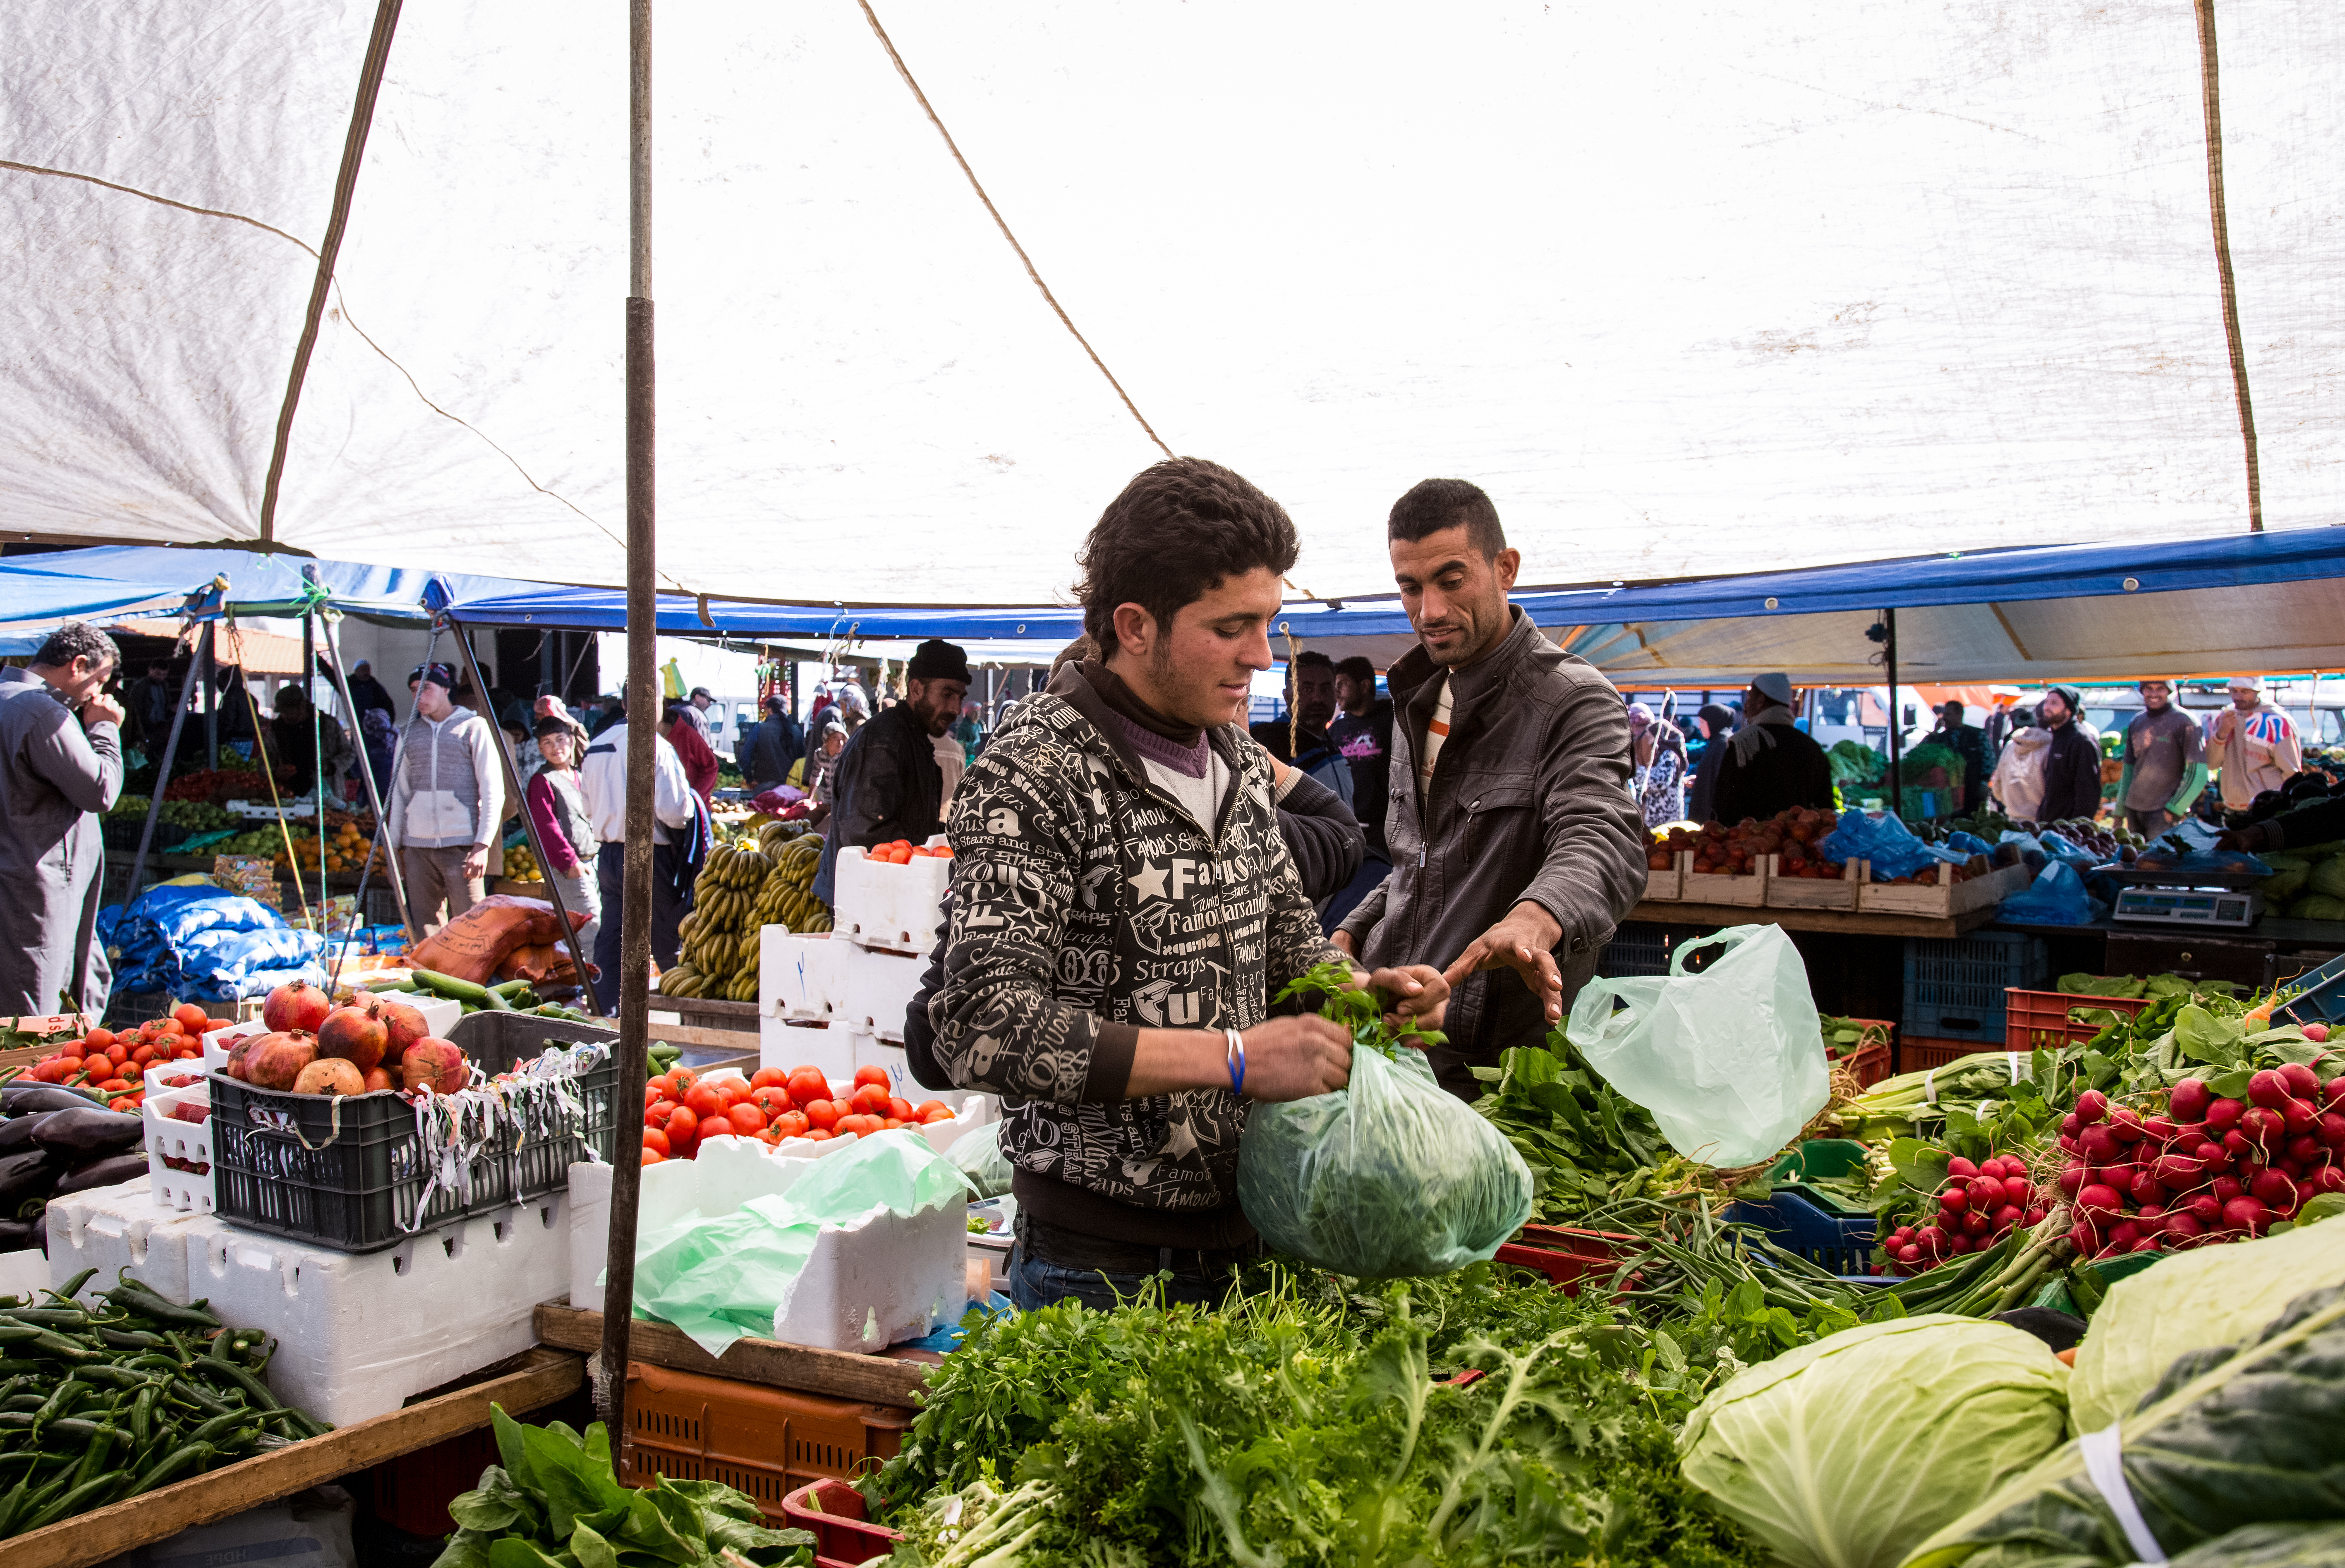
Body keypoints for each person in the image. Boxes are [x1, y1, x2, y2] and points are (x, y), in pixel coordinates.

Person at [929, 457, 1444, 1311]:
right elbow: (980, 1026)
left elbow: (1289, 943)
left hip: (1254, 1233)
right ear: (1134, 624)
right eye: (1231, 625)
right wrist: (1234, 1058)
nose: (1257, 654)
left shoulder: (1238, 763)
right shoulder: (1035, 769)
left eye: (1267, 623)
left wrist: (1361, 995)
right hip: (1098, 1269)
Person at [1333, 477, 1646, 1101]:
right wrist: (1353, 930)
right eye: (1410, 586)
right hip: (1394, 1042)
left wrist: (1535, 918)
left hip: (1494, 1071)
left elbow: (1602, 832)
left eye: (1452, 580)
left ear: (1505, 569)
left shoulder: (1570, 699)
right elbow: (1417, 861)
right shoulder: (1416, 695)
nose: (1430, 610)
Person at [0, 624, 124, 1016]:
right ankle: (29, 1079)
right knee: (37, 1005)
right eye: (100, 680)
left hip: (21, 877)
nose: (99, 693)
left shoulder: (10, 700)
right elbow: (99, 790)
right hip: (37, 887)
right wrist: (105, 727)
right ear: (79, 665)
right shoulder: (40, 711)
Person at [812, 639, 970, 902]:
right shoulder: (885, 740)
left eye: (960, 698)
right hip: (866, 902)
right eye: (947, 694)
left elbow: (912, 821)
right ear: (917, 689)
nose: (955, 709)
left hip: (888, 896)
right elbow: (865, 832)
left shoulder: (915, 739)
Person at [578, 709, 698, 1015]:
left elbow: (588, 807)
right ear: (652, 702)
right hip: (648, 853)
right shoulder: (657, 745)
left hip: (609, 854)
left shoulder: (596, 746)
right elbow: (675, 811)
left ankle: (602, 1010)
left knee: (612, 935)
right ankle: (689, 1011)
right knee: (666, 935)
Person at [387, 662, 505, 943]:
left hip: (462, 846)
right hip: (417, 847)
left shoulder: (473, 727)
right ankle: (434, 985)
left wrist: (482, 844)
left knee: (473, 925)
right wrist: (393, 847)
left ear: (446, 689)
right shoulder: (407, 733)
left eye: (426, 688)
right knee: (426, 928)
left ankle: (474, 985)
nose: (419, 696)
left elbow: (493, 789)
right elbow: (399, 793)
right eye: (414, 690)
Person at [1709, 673, 1833, 826]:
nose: (1746, 705)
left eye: (1749, 697)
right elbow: (1826, 810)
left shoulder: (1744, 744)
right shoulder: (1812, 747)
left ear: (1760, 700)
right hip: (1799, 845)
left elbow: (1724, 805)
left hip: (1750, 844)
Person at [525, 715, 601, 958]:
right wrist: (569, 862)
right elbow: (546, 827)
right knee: (590, 927)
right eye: (547, 742)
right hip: (572, 866)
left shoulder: (580, 774)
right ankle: (591, 987)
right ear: (540, 748)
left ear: (571, 741)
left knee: (600, 923)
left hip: (594, 861)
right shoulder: (542, 782)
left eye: (560, 740)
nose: (556, 747)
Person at [1249, 651, 1354, 808]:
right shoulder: (1272, 745)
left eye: (1326, 689)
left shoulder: (1328, 743)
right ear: (1287, 697)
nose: (1318, 699)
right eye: (1307, 690)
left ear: (1335, 694)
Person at [2118, 679, 2208, 838]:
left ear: (2170, 691)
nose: (2154, 694)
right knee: (2135, 860)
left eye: (2160, 688)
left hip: (2163, 811)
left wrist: (2174, 809)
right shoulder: (2137, 722)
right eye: (2149, 689)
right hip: (2134, 808)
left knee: (2159, 861)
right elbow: (2128, 771)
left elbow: (2199, 773)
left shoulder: (2186, 722)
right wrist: (2120, 812)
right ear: (2142, 692)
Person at [2211, 675, 2302, 814]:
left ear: (2258, 691)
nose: (2238, 696)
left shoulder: (2278, 721)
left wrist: (2281, 802)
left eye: (2245, 691)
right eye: (2234, 691)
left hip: (2267, 808)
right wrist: (2221, 734)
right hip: (2232, 806)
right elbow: (2212, 764)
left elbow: (2291, 772)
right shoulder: (2225, 717)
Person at [2034, 685, 2103, 823]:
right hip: (2051, 823)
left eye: (2054, 703)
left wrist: (2076, 829)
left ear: (2069, 711)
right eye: (2047, 702)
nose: (2047, 707)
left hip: (2068, 829)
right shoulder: (2056, 736)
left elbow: (2088, 793)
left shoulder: (2081, 740)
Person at [340, 658, 399, 801]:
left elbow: (389, 707)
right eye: (363, 670)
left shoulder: (376, 687)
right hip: (359, 731)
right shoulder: (349, 685)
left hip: (371, 733)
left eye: (368, 669)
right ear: (356, 672)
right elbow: (333, 675)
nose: (367, 672)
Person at [1627, 701, 1687, 828]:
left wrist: (1637, 771)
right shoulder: (1660, 755)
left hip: (1666, 816)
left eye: (1650, 736)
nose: (1648, 739)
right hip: (1656, 815)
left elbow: (1660, 782)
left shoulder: (1669, 755)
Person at [1926, 700, 1990, 814]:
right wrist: (1935, 732)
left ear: (1959, 715)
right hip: (1947, 793)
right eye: (1945, 714)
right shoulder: (1940, 738)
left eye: (1949, 715)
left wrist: (1984, 783)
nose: (1945, 718)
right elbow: (1923, 751)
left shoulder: (1977, 734)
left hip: (1973, 790)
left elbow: (1989, 760)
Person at [1685, 702, 1737, 823]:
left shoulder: (1723, 743)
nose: (1699, 726)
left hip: (1713, 816)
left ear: (1714, 722)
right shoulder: (1717, 741)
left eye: (1702, 722)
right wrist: (1699, 780)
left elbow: (1723, 782)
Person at [1988, 724, 2053, 823]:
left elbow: (1997, 787)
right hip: (2041, 819)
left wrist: (2012, 804)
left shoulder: (2010, 746)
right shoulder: (2050, 747)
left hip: (2013, 818)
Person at [661, 700, 721, 804]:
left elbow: (711, 767)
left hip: (692, 812)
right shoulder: (632, 738)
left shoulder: (686, 735)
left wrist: (692, 799)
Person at [741, 695, 803, 794]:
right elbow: (802, 759)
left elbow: (745, 757)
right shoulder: (796, 730)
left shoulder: (759, 729)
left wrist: (749, 780)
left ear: (770, 710)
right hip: (790, 789)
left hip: (764, 787)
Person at [128, 660, 177, 742]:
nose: (161, 677)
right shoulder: (140, 687)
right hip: (147, 730)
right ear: (150, 670)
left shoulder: (164, 686)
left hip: (161, 729)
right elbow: (135, 712)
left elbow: (165, 708)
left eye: (164, 675)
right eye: (158, 674)